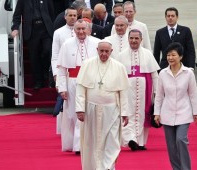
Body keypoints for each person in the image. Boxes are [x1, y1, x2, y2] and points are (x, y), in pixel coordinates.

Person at [75, 39, 129, 170]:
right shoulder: (87, 64)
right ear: (97, 50)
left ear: (111, 51)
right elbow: (81, 89)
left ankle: (107, 167)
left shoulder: (119, 67)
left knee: (112, 142)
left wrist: (125, 113)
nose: (104, 54)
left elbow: (123, 92)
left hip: (112, 111)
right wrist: (80, 109)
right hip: (91, 109)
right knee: (92, 142)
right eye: (101, 51)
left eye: (107, 51)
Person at [154, 42, 197, 170]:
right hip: (167, 113)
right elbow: (159, 95)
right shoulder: (163, 73)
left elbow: (193, 94)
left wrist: (196, 112)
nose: (170, 58)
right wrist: (156, 113)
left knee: (181, 140)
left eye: (173, 55)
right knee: (171, 146)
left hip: (184, 112)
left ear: (180, 56)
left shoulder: (188, 73)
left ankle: (186, 168)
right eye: (168, 55)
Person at [57, 19, 100, 153]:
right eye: (78, 29)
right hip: (73, 81)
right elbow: (62, 69)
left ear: (88, 29)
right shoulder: (67, 44)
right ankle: (77, 145)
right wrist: (62, 88)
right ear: (74, 30)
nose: (81, 31)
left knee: (91, 112)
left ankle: (85, 145)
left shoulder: (97, 43)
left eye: (83, 29)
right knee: (73, 114)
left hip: (92, 82)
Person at [117, 29, 160, 151]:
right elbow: (118, 75)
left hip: (145, 89)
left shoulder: (147, 54)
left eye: (136, 38)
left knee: (143, 114)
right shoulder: (121, 55)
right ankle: (130, 139)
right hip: (127, 89)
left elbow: (154, 74)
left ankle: (141, 142)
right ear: (128, 39)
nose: (134, 41)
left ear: (141, 40)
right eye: (131, 38)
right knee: (127, 113)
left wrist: (157, 93)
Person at [11, 0, 54, 90]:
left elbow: (52, 12)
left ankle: (45, 71)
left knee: (47, 51)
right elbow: (17, 15)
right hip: (32, 30)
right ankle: (38, 81)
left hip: (46, 28)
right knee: (34, 57)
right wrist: (15, 28)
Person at [51, 7, 77, 135]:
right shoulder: (59, 33)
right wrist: (56, 74)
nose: (72, 17)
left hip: (78, 73)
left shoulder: (83, 30)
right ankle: (64, 130)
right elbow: (55, 56)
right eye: (70, 15)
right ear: (65, 17)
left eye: (74, 15)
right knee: (64, 101)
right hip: (64, 71)